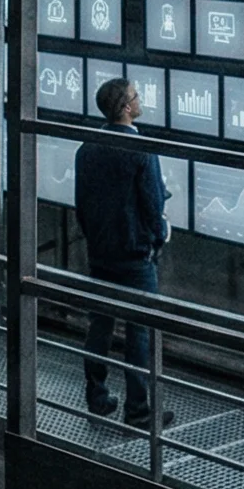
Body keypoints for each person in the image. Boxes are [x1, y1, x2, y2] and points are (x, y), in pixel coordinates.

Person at [73, 77, 173, 428]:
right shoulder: (141, 150)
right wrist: (158, 237)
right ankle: (139, 410)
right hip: (135, 257)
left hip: (101, 253)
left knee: (99, 326)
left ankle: (97, 398)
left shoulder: (86, 148)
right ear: (126, 108)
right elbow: (153, 203)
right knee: (139, 332)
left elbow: (81, 206)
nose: (140, 97)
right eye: (136, 94)